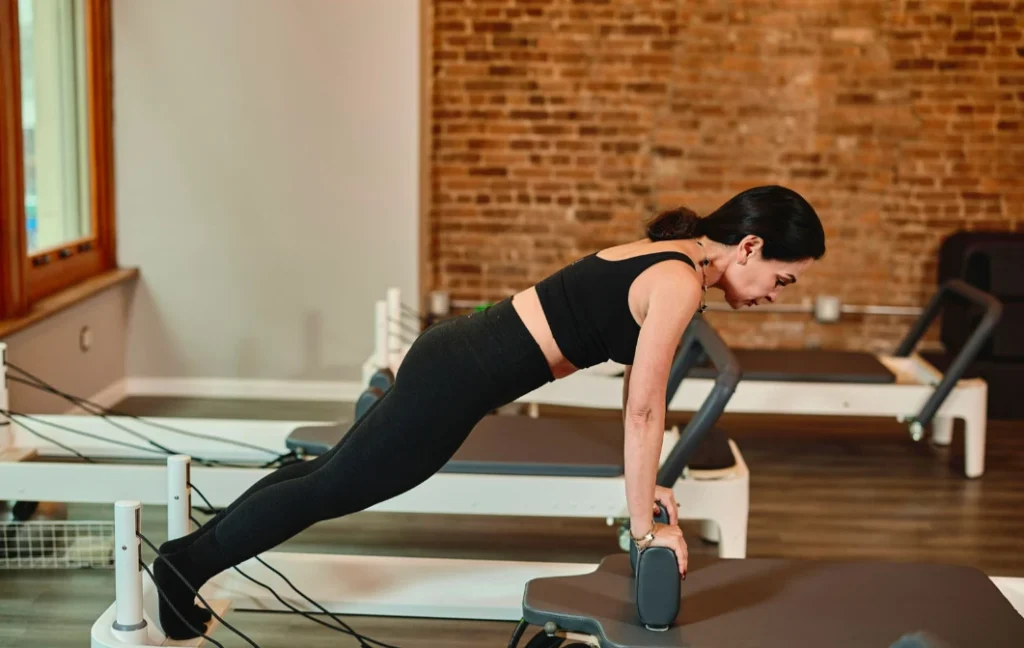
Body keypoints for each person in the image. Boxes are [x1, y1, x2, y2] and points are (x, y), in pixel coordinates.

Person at [154, 184, 826, 639]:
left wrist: (648, 489)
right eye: (782, 279)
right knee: (328, 489)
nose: (774, 294)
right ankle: (184, 567)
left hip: (455, 359)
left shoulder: (671, 260)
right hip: (458, 378)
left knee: (324, 477)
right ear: (749, 247)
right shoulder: (679, 281)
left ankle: (184, 558)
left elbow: (636, 396)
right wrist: (646, 533)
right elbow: (645, 414)